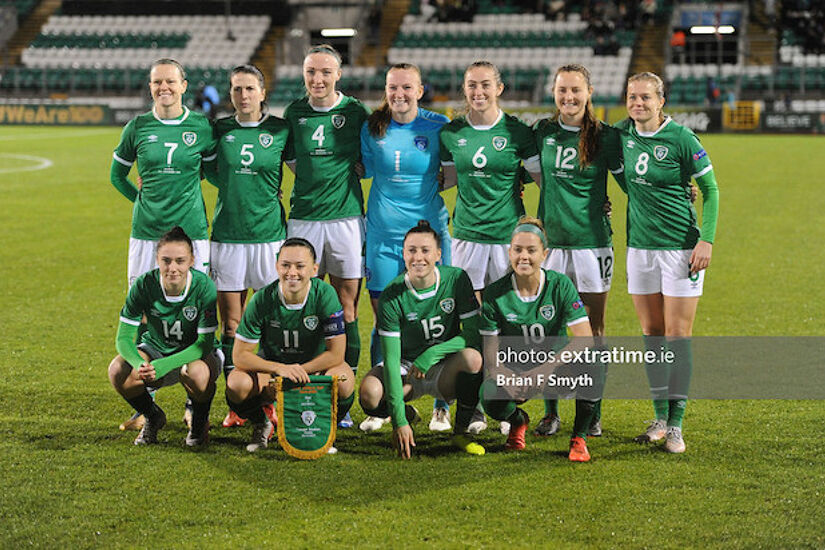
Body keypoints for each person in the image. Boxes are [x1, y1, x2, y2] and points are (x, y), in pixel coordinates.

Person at [110, 58, 215, 430]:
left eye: (170, 81)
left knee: (193, 308)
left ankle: (192, 400)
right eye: (157, 82)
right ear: (151, 86)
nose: (163, 87)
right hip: (145, 236)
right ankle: (146, 400)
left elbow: (217, 172)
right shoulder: (137, 127)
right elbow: (117, 175)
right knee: (143, 313)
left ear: (184, 85)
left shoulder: (201, 127)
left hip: (193, 234)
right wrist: (141, 202)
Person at [617, 72, 719, 453]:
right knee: (652, 334)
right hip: (639, 249)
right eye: (632, 96)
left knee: (677, 337)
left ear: (661, 101)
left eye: (645, 97)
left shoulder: (681, 138)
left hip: (680, 250)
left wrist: (706, 239)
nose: (638, 103)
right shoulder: (622, 134)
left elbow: (710, 189)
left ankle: (676, 424)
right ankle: (659, 418)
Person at [440, 60, 541, 434]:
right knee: (467, 323)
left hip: (506, 239)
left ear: (500, 88)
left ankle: (506, 402)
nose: (478, 92)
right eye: (471, 85)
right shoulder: (452, 134)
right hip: (465, 237)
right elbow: (446, 178)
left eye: (485, 85)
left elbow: (542, 179)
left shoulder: (518, 132)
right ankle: (473, 404)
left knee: (507, 322)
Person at [359, 63, 454, 434]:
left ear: (419, 89)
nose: (399, 94)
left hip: (429, 237)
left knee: (437, 317)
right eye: (392, 87)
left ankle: (442, 406)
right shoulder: (373, 127)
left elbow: (452, 171)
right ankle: (382, 404)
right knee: (384, 319)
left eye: (406, 87)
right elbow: (361, 169)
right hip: (383, 238)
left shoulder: (438, 126)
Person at [532, 64, 624, 437]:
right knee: (550, 329)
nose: (568, 98)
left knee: (593, 331)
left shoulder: (606, 137)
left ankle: (592, 412)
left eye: (576, 91)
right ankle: (551, 412)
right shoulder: (542, 132)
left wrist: (686, 191)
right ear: (553, 93)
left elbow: (633, 181)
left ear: (589, 93)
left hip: (592, 245)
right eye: (562, 90)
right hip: (550, 246)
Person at [283, 44, 370, 428]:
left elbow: (371, 158)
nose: (317, 79)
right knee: (303, 306)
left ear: (339, 75)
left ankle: (344, 398)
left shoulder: (355, 112)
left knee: (347, 306)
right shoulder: (294, 113)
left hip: (347, 220)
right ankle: (306, 384)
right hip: (303, 220)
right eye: (310, 72)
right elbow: (288, 158)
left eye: (324, 72)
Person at [203, 64, 291, 428]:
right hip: (228, 238)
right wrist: (231, 188)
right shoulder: (219, 129)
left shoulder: (280, 130)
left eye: (249, 89)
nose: (243, 96)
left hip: (270, 238)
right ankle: (237, 403)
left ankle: (268, 401)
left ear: (262, 92)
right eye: (237, 89)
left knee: (270, 323)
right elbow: (206, 169)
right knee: (232, 324)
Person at [360, 221, 486, 458]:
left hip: (444, 367)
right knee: (369, 393)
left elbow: (472, 334)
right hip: (407, 367)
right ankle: (407, 415)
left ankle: (460, 432)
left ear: (439, 254)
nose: (418, 257)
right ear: (403, 254)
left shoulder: (456, 279)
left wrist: (433, 353)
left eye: (425, 251)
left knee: (473, 358)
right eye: (412, 250)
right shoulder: (392, 294)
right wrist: (398, 421)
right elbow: (391, 357)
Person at [479, 218, 599, 462]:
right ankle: (517, 421)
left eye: (531, 250)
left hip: (555, 368)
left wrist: (546, 368)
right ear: (509, 252)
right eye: (518, 250)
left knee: (597, 358)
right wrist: (503, 374)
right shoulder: (494, 293)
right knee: (489, 392)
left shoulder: (560, 285)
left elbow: (585, 338)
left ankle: (579, 438)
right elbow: (490, 358)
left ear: (544, 254)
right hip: (516, 367)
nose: (524, 257)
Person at [227, 238, 355, 453]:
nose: (291, 272)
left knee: (344, 381)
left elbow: (336, 354)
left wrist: (298, 372)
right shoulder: (261, 299)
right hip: (274, 371)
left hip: (314, 369)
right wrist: (280, 370)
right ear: (277, 266)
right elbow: (239, 356)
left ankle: (324, 429)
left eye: (299, 266)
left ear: (314, 269)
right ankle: (262, 423)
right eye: (285, 265)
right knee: (237, 383)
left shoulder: (325, 294)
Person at [108, 226, 221, 446]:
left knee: (197, 373)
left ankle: (198, 424)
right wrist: (140, 363)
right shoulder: (144, 284)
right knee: (117, 370)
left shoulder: (204, 286)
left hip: (194, 355)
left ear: (191, 261)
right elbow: (123, 338)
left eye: (180, 260)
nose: (172, 268)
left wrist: (163, 366)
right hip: (156, 349)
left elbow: (203, 344)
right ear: (157, 259)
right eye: (166, 260)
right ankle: (152, 416)